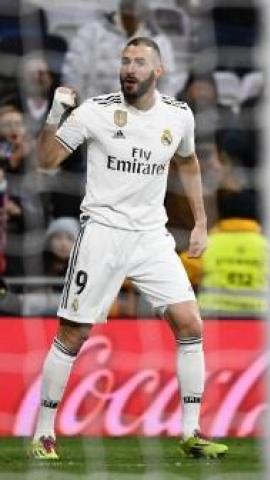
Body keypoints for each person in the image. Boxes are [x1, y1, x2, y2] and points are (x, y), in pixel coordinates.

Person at [28, 37, 227, 460]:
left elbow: (188, 163)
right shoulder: (94, 111)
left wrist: (200, 223)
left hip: (152, 237)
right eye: (125, 61)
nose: (129, 68)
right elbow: (45, 162)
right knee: (73, 333)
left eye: (139, 62)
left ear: (159, 71)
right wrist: (56, 113)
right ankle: (43, 432)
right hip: (102, 233)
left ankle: (191, 431)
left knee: (191, 324)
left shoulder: (178, 116)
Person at [61, 0, 185, 100]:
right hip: (96, 116)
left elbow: (168, 87)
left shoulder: (160, 42)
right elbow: (73, 77)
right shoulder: (91, 33)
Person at [181, 188, 269, 317]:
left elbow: (178, 275)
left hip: (213, 320)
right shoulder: (268, 247)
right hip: (259, 320)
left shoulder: (207, 244)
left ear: (221, 214)